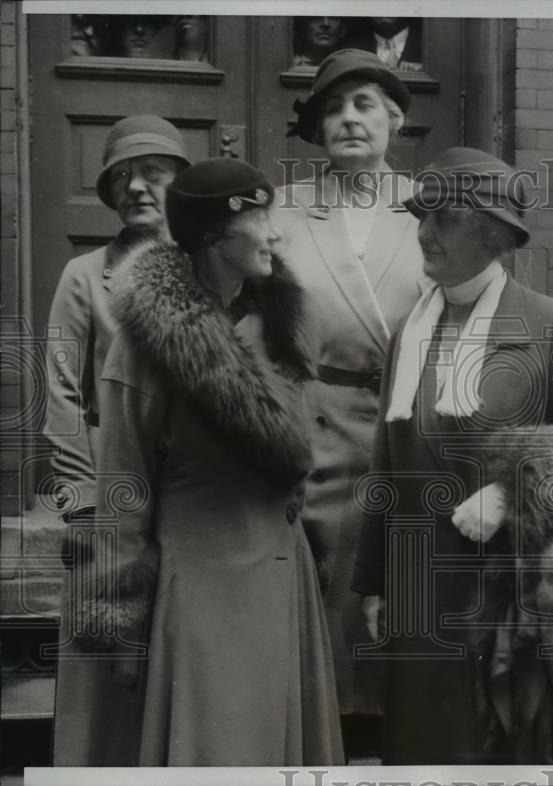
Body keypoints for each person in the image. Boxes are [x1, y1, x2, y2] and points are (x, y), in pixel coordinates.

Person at [54, 158, 344, 766]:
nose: (275, 232)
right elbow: (124, 487)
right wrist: (121, 617)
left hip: (282, 579)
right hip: (202, 588)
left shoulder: (283, 325)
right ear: (214, 235)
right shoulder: (147, 344)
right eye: (260, 218)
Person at [351, 147, 553, 764]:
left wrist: (512, 491)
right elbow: (385, 464)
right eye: (420, 217)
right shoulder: (407, 332)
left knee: (501, 744)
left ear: (492, 231)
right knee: (424, 745)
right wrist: (373, 582)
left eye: (442, 218)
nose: (423, 233)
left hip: (508, 584)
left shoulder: (549, 324)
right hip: (417, 586)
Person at [279, 48, 426, 756]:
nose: (348, 119)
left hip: (406, 434)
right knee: (322, 612)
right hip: (313, 433)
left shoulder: (432, 211)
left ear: (395, 117)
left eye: (364, 104)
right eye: (333, 108)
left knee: (397, 601)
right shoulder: (282, 214)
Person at [44, 115, 190, 525]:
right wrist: (83, 502)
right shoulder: (84, 275)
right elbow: (60, 392)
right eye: (122, 175)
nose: (135, 186)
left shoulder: (207, 268)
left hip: (196, 489)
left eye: (153, 173)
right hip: (115, 482)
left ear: (179, 184)